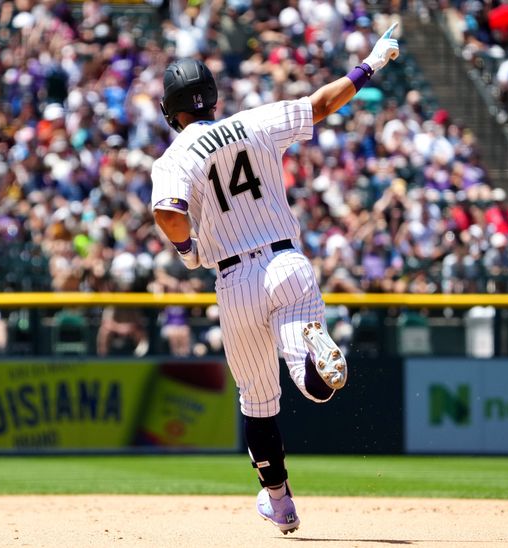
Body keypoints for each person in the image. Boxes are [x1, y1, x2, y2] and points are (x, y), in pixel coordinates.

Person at [150, 25, 400, 534]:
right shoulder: (255, 121)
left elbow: (169, 211)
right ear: (213, 97)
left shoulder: (174, 156)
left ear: (171, 109)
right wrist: (370, 64)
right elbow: (323, 103)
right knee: (311, 387)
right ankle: (314, 361)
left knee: (258, 403)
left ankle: (281, 503)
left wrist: (188, 250)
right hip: (287, 263)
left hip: (234, 279)